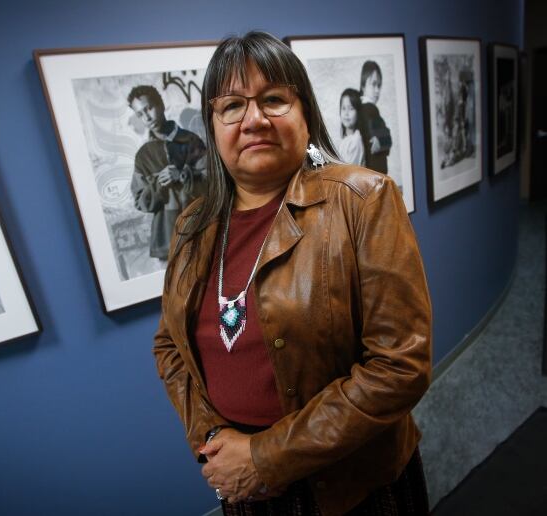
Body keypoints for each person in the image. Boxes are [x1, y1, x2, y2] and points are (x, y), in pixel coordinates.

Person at [153, 31, 431, 516]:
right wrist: (216, 441)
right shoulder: (192, 225)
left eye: (274, 99)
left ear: (305, 114)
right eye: (232, 106)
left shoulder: (363, 201)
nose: (254, 119)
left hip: (351, 484)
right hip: (244, 484)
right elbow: (169, 347)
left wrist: (265, 457)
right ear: (213, 126)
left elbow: (399, 368)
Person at [128, 85, 207, 261]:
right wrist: (158, 184)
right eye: (140, 114)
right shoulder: (143, 155)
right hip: (167, 245)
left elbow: (214, 183)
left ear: (161, 104)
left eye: (149, 108)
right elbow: (141, 202)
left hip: (202, 233)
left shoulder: (191, 140)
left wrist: (184, 175)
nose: (147, 117)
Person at [358, 60, 392, 174]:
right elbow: (386, 140)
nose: (377, 90)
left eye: (379, 85)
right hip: (375, 170)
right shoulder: (369, 109)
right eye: (373, 84)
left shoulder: (363, 109)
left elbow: (385, 139)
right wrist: (385, 139)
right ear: (363, 85)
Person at [337, 88, 366, 166]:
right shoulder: (344, 141)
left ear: (358, 112)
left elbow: (348, 172)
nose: (346, 113)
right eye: (343, 108)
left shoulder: (356, 140)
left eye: (351, 108)